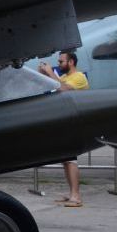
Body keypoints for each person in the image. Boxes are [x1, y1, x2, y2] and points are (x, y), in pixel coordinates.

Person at [39, 50, 89, 207]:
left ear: (71, 62)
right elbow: (56, 85)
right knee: (66, 160)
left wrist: (50, 73)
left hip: (75, 122)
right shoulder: (65, 77)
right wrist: (44, 74)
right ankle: (72, 192)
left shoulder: (79, 77)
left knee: (71, 160)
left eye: (61, 61)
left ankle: (76, 196)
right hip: (67, 122)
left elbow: (63, 89)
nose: (58, 64)